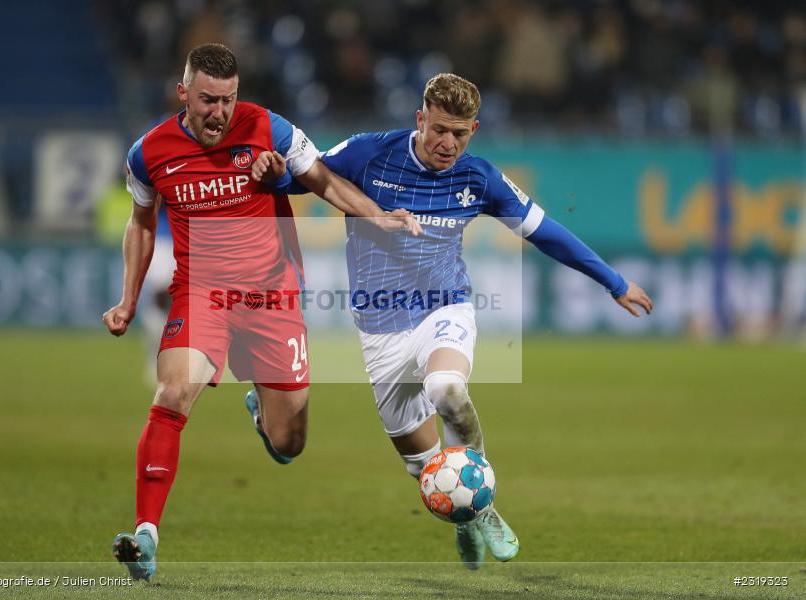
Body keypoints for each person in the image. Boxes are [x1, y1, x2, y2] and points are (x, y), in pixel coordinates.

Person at [254, 73, 653, 570]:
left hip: (444, 307)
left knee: (446, 387)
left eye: (460, 134)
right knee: (424, 471)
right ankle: (464, 518)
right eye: (439, 129)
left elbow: (545, 231)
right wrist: (271, 174)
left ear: (474, 130)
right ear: (419, 119)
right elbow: (303, 179)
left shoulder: (479, 178)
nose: (448, 143)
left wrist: (614, 281)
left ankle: (481, 506)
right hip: (380, 328)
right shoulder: (367, 154)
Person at [102, 43, 419, 582]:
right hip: (202, 295)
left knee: (289, 441)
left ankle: (262, 413)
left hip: (273, 299)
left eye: (227, 100)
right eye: (207, 100)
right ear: (184, 93)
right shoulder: (149, 153)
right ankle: (147, 533)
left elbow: (323, 180)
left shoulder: (269, 129)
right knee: (174, 391)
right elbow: (140, 221)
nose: (219, 113)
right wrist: (130, 299)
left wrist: (377, 217)